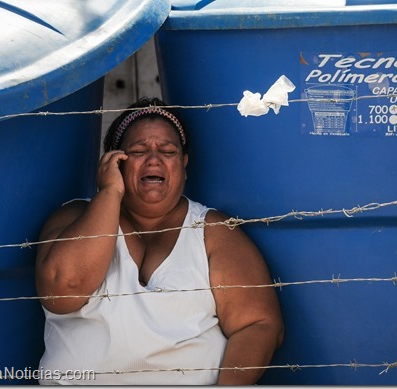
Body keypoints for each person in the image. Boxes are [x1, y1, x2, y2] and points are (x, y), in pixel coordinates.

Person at [35, 97, 284, 385]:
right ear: (113, 162)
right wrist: (109, 193)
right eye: (139, 151)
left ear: (184, 164)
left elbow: (259, 324)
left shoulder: (214, 232)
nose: (154, 159)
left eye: (167, 151)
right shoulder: (74, 217)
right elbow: (63, 291)